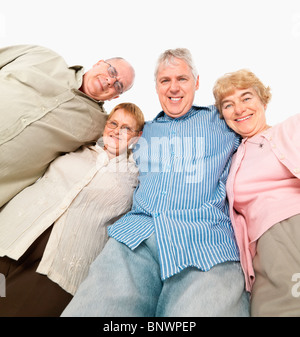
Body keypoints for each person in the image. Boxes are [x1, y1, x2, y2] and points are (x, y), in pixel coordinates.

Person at [62, 48, 250, 317]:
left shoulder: (221, 121)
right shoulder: (141, 132)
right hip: (135, 241)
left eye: (182, 79)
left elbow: (258, 130)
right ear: (157, 87)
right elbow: (104, 141)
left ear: (197, 83)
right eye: (165, 80)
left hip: (204, 244)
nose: (174, 87)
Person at [0, 103, 144, 317]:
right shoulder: (77, 147)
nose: (116, 130)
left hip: (61, 264)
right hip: (14, 236)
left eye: (126, 128)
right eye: (113, 123)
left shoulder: (137, 175)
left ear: (137, 137)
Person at [0, 44, 135, 208]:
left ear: (115, 97)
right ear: (98, 63)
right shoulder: (41, 56)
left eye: (118, 86)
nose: (110, 81)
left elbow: (129, 148)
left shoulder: (100, 126)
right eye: (111, 71)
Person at [213, 69, 300, 316]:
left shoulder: (291, 128)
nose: (239, 109)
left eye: (246, 97)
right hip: (261, 248)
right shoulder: (232, 156)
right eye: (228, 105)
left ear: (263, 100)